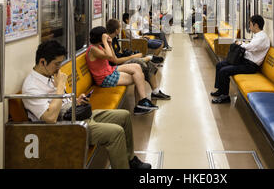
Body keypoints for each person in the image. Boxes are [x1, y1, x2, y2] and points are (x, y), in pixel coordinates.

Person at [21, 40, 151, 169]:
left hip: (75, 114)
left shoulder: (49, 74)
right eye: (56, 64)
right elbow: (50, 118)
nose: (59, 68)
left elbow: (62, 102)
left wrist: (76, 101)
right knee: (116, 133)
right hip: (65, 127)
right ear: (42, 62)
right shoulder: (31, 87)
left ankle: (130, 160)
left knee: (124, 116)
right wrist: (60, 87)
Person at [87, 26, 158, 115]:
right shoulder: (93, 49)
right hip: (104, 78)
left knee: (137, 67)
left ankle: (141, 104)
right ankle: (141, 103)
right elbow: (108, 56)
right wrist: (105, 41)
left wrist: (109, 44)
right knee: (139, 77)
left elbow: (113, 58)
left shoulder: (99, 47)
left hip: (109, 70)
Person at [211, 15, 270, 104]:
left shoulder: (262, 37)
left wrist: (240, 43)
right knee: (219, 65)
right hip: (245, 61)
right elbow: (250, 46)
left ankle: (225, 96)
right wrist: (241, 43)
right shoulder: (257, 36)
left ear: (256, 25)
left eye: (250, 25)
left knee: (224, 71)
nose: (249, 27)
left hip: (250, 66)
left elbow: (250, 47)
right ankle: (220, 90)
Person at [106, 19, 171, 100]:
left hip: (122, 60)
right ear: (116, 30)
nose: (120, 28)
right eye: (119, 27)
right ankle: (148, 58)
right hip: (117, 66)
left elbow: (118, 53)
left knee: (149, 65)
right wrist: (133, 57)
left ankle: (155, 92)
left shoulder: (114, 39)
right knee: (141, 66)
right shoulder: (107, 42)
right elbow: (115, 61)